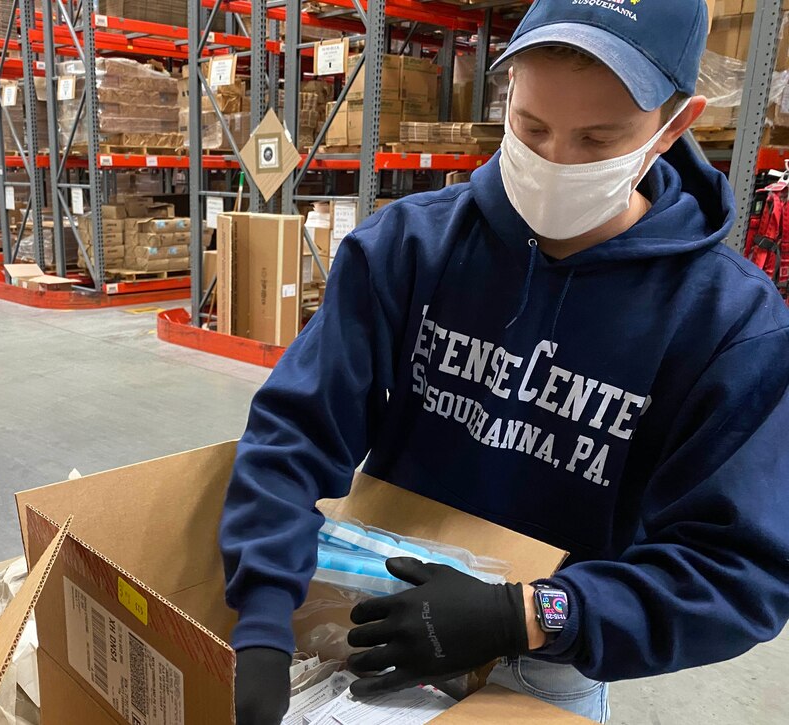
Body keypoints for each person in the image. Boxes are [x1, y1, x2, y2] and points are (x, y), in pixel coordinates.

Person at [220, 0, 789, 723]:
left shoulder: (729, 324)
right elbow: (294, 434)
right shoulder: (405, 249)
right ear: (508, 89)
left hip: (550, 658)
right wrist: (265, 624)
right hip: (370, 613)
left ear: (673, 126)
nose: (555, 163)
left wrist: (530, 614)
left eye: (597, 139)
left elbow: (739, 573)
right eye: (532, 127)